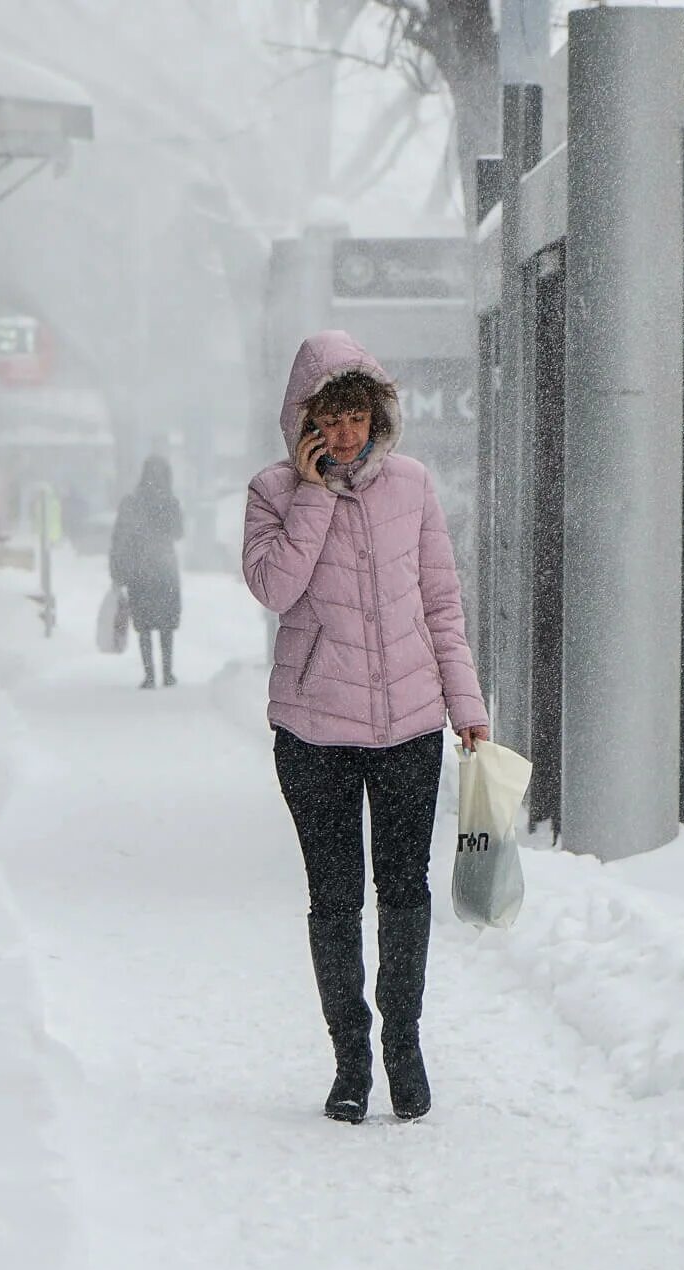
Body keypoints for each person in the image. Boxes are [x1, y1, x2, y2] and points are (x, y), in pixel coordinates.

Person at [241, 330, 490, 1124]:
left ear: (376, 413)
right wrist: (315, 496)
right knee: (335, 897)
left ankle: (403, 1046)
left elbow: (442, 605)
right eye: (329, 417)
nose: (345, 432)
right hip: (315, 733)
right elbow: (276, 589)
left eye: (355, 414)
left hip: (409, 726)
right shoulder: (273, 491)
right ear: (304, 420)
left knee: (405, 891)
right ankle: (351, 1057)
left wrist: (468, 707)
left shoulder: (414, 486)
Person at [110, 456, 184, 688]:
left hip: (139, 570)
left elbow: (120, 537)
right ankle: (168, 672)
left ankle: (150, 675)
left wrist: (117, 571)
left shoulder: (132, 502)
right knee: (166, 624)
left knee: (143, 625)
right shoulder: (170, 502)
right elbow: (179, 533)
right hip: (165, 570)